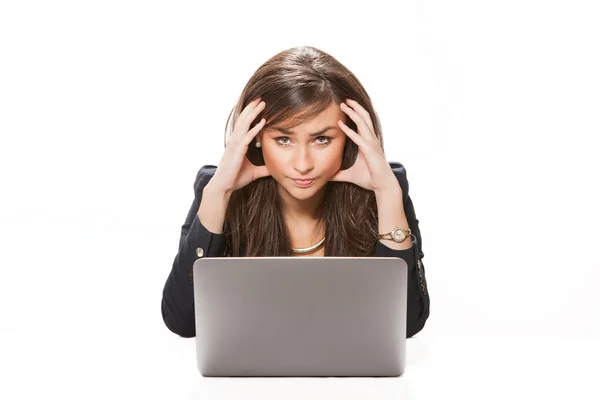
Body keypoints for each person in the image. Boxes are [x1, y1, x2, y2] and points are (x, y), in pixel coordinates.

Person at [161, 46, 430, 339]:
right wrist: (219, 193)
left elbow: (407, 326)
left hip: (352, 383)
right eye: (284, 139)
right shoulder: (215, 191)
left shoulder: (386, 192)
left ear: (350, 139)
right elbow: (182, 321)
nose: (303, 165)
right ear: (256, 138)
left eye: (322, 139)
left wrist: (387, 195)